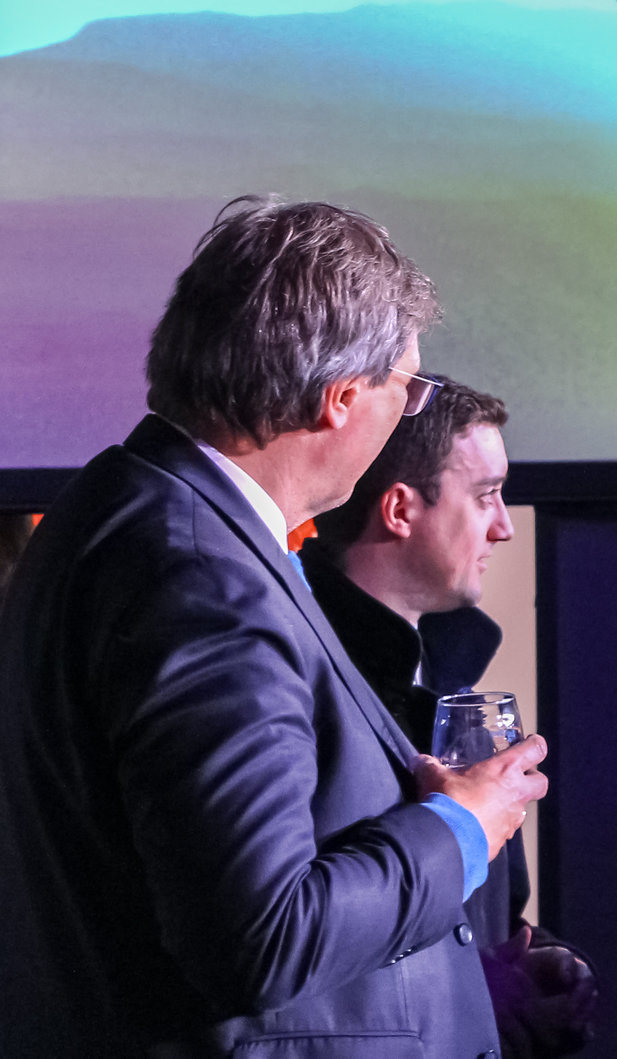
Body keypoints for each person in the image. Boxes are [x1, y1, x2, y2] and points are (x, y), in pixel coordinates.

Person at [0, 197, 546, 1057]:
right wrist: (460, 829)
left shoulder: (135, 510)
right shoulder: (197, 571)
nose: (409, 412)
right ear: (338, 400)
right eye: (407, 388)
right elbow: (260, 935)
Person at [304, 377, 598, 1057]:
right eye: (487, 494)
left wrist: (526, 969)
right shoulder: (299, 673)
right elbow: (303, 931)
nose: (506, 524)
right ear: (401, 508)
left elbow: (481, 913)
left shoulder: (449, 675)